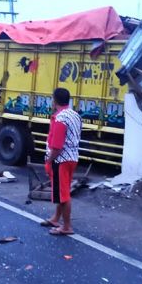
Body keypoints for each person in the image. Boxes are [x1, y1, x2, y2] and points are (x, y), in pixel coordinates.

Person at [41, 88, 82, 236]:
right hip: (72, 158)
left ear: (54, 100)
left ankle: (66, 226)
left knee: (63, 194)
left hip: (60, 160)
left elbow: (57, 146)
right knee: (61, 191)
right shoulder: (74, 115)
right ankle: (55, 218)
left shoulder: (60, 119)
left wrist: (49, 160)